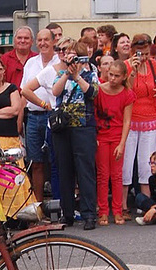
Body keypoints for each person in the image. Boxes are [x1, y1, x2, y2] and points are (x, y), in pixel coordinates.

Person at [26, 38, 99, 229]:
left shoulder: (90, 72)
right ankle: (67, 213)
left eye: (73, 55)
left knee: (85, 170)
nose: (70, 58)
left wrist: (77, 76)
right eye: (67, 54)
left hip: (83, 125)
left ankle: (89, 214)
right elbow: (57, 92)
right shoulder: (60, 72)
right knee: (64, 169)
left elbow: (92, 93)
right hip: (62, 127)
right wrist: (67, 73)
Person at [122, 34, 156, 219]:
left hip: (150, 118)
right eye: (138, 46)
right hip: (130, 119)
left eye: (145, 46)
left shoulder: (152, 64)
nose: (142, 50)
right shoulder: (127, 65)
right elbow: (127, 89)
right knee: (126, 164)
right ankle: (123, 205)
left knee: (147, 163)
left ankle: (146, 205)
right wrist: (133, 70)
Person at [0, 53, 35, 220]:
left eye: (0, 69)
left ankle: (20, 214)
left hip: (10, 140)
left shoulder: (12, 88)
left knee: (14, 177)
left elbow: (14, 110)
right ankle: (0, 215)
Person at [20, 28, 59, 203]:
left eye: (46, 40)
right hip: (34, 117)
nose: (43, 43)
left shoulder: (60, 62)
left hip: (54, 118)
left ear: (53, 42)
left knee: (56, 162)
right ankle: (38, 205)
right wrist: (20, 118)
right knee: (35, 163)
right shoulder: (30, 63)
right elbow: (24, 91)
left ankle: (60, 204)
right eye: (40, 40)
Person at [94, 59, 135, 225]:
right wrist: (95, 138)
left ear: (124, 76)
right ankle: (103, 211)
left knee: (117, 175)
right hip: (101, 136)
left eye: (117, 76)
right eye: (110, 74)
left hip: (117, 136)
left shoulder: (127, 94)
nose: (112, 79)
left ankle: (117, 211)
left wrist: (122, 143)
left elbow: (127, 121)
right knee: (103, 174)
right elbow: (94, 116)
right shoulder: (98, 91)